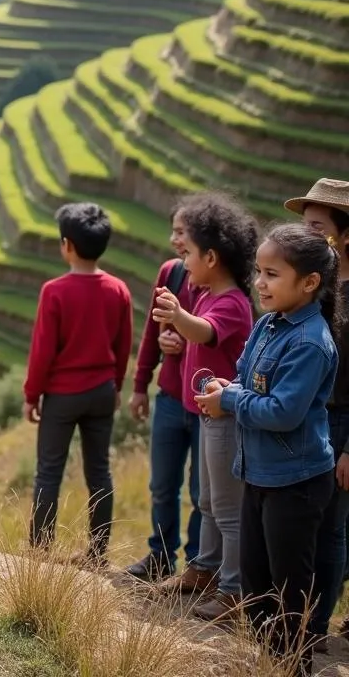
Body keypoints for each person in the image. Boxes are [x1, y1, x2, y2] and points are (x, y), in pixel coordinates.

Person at [197, 224, 342, 676]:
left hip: (296, 484)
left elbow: (283, 411)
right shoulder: (267, 324)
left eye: (272, 274)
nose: (260, 283)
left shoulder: (310, 341)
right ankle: (272, 663)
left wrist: (231, 401)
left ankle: (292, 667)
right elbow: (246, 376)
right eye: (259, 272)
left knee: (288, 596)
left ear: (309, 283)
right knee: (258, 589)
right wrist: (228, 387)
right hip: (258, 473)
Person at [151, 193, 257, 623]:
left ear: (212, 257)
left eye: (190, 253)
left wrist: (178, 316)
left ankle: (232, 590)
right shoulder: (206, 292)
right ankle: (204, 569)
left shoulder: (229, 302)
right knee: (209, 501)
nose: (184, 262)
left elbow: (205, 333)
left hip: (226, 418)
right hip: (207, 415)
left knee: (227, 509)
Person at [24, 202, 133, 568]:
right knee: (99, 471)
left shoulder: (54, 291)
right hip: (102, 390)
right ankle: (98, 554)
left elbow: (43, 351)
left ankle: (39, 554)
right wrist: (116, 385)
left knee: (49, 472)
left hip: (63, 395)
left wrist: (31, 394)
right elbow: (123, 344)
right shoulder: (118, 289)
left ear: (67, 245)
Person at [285, 180, 349, 651]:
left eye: (316, 227)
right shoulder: (313, 286)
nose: (305, 234)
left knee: (330, 529)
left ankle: (316, 627)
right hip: (307, 416)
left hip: (341, 421)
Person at [126, 199, 202, 582]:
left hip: (207, 405)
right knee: (162, 483)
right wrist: (140, 384)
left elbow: (224, 338)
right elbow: (151, 334)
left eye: (182, 233)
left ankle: (198, 566)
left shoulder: (223, 284)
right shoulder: (170, 274)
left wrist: (185, 342)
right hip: (171, 396)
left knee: (202, 491)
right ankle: (160, 555)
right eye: (173, 231)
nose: (174, 240)